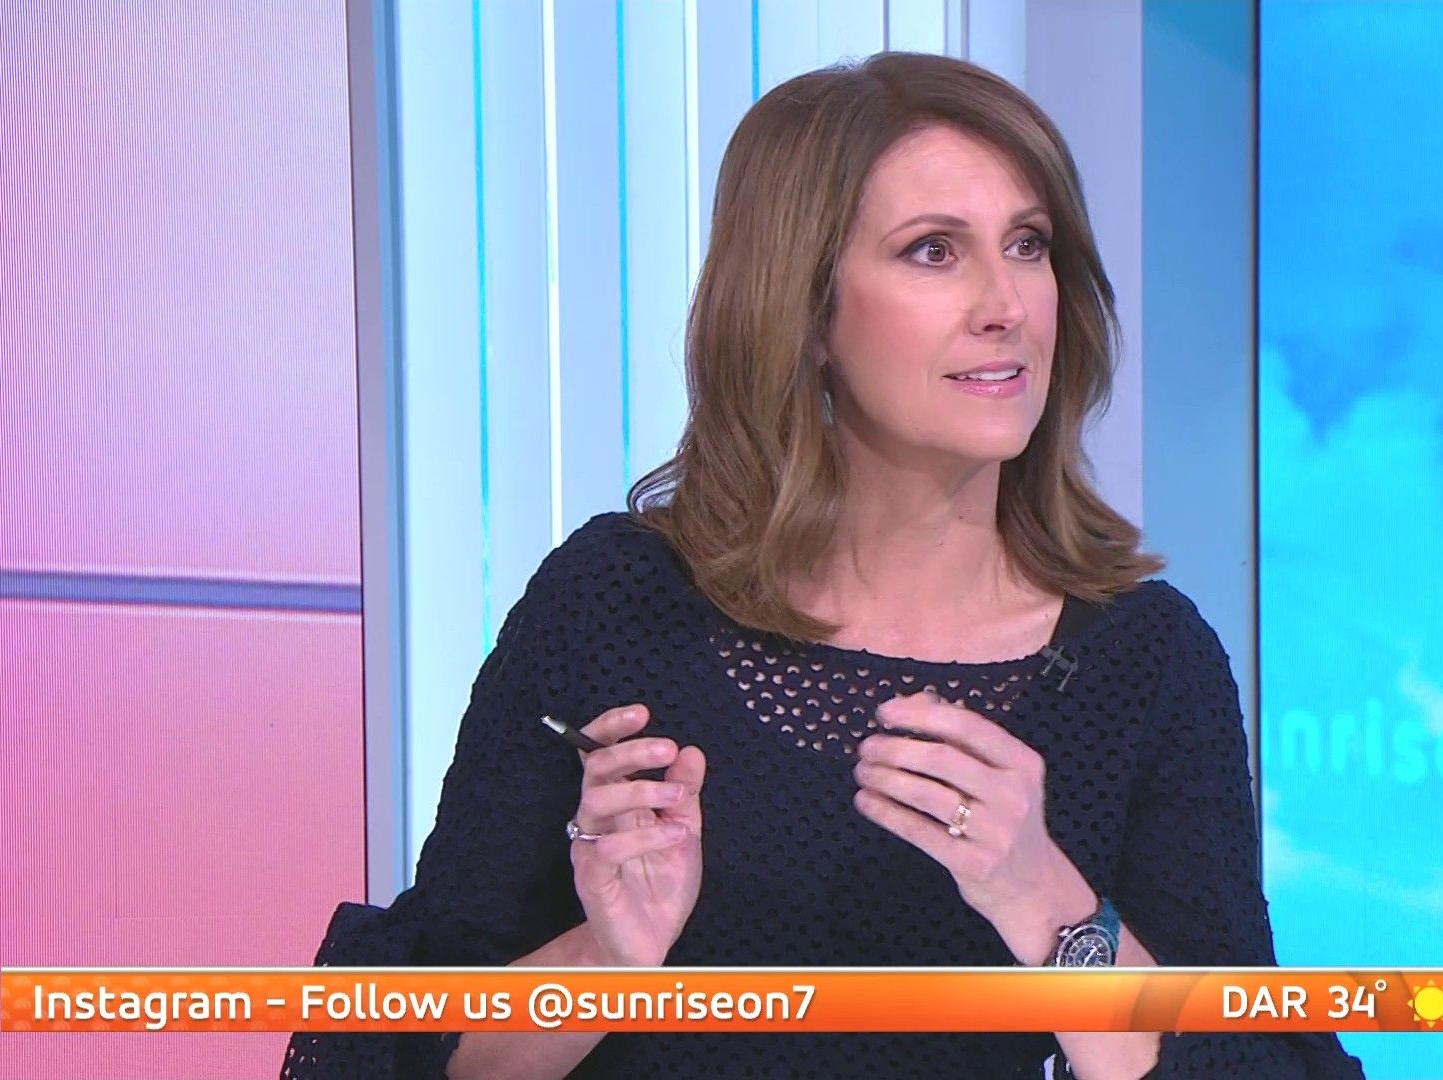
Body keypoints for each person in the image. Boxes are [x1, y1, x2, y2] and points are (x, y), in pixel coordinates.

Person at [283, 51, 1364, 1080]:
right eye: (934, 251)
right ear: (803, 313)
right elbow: (410, 1050)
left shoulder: (1146, 659)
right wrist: (606, 963)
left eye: (1028, 244)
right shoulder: (616, 603)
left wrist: (1053, 911)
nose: (1005, 304)